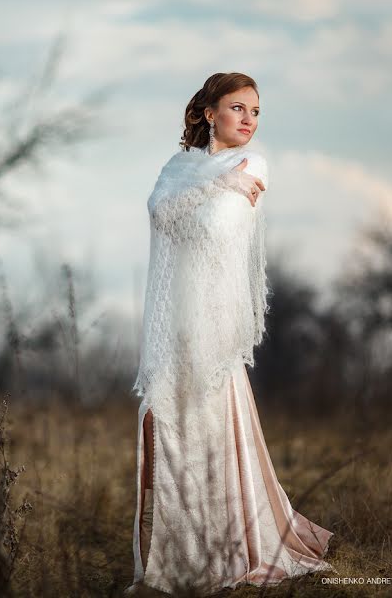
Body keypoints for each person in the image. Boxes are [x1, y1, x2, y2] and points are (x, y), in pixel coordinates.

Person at [126, 72, 335, 595]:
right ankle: (180, 555)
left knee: (213, 435)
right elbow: (159, 213)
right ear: (208, 113)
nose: (250, 121)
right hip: (174, 325)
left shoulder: (254, 165)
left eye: (256, 112)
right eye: (239, 108)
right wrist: (217, 183)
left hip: (213, 327)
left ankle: (229, 548)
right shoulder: (180, 169)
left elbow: (216, 228)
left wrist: (211, 193)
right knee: (175, 437)